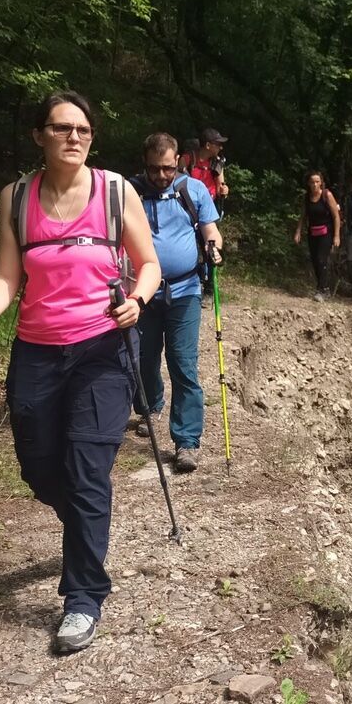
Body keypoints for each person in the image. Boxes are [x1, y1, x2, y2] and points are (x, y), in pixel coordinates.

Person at [0, 91, 161, 655]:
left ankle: (84, 597)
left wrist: (137, 300)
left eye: (84, 130)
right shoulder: (16, 199)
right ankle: (85, 527)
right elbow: (6, 275)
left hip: (102, 351)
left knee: (87, 467)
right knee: (42, 471)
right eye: (62, 128)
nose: (74, 137)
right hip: (38, 351)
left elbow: (148, 264)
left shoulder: (115, 191)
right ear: (39, 136)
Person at [129, 133, 223, 473]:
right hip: (142, 292)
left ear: (178, 160)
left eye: (167, 168)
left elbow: (210, 229)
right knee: (144, 357)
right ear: (145, 165)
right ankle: (151, 407)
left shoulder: (191, 189)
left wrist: (213, 246)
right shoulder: (131, 192)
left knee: (183, 364)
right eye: (154, 169)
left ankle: (186, 441)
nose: (161, 176)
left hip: (184, 291)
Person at [293, 170, 341, 301]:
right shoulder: (307, 197)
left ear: (321, 183)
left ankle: (322, 290)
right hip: (313, 231)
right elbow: (303, 216)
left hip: (326, 232)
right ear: (308, 184)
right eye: (312, 182)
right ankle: (323, 288)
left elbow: (336, 216)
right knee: (315, 261)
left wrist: (337, 236)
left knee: (321, 259)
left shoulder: (327, 195)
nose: (315, 185)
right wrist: (298, 231)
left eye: (317, 182)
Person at [180, 128, 230, 207]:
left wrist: (224, 191)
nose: (221, 148)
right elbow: (178, 184)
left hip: (208, 207)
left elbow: (219, 189)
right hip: (187, 205)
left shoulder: (217, 163)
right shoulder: (187, 160)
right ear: (208, 145)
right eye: (218, 144)